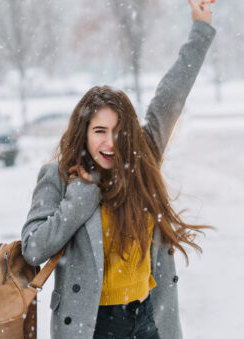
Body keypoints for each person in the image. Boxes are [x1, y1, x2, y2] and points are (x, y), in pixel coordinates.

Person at [21, 0, 215, 337]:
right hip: (93, 325)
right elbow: (34, 247)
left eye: (118, 131)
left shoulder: (141, 160)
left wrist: (200, 28)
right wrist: (82, 196)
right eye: (99, 131)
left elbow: (172, 94)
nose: (110, 143)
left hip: (147, 316)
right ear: (83, 133)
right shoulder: (59, 177)